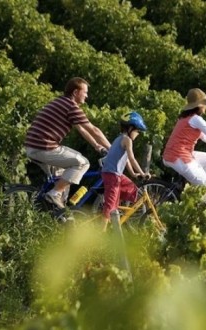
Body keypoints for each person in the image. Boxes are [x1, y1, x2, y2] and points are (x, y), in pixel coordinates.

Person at [24, 77, 111, 209]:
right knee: (82, 163)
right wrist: (112, 149)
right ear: (75, 92)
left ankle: (59, 212)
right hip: (44, 147)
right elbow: (94, 130)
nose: (87, 96)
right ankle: (54, 194)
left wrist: (96, 145)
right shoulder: (71, 107)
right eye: (85, 92)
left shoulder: (60, 101)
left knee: (64, 178)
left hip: (33, 146)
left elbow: (81, 129)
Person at [101, 111, 150, 226]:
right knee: (109, 206)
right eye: (137, 131)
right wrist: (142, 173)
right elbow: (132, 159)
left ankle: (116, 208)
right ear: (130, 128)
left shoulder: (119, 138)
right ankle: (101, 234)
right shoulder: (127, 140)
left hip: (114, 174)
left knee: (131, 188)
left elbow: (126, 159)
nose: (138, 134)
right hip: (112, 175)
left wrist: (133, 174)